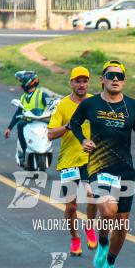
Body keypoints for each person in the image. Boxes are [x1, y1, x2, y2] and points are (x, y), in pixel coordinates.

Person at [68, 60, 135, 268]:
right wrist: (83, 139)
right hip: (99, 166)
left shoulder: (133, 106)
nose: (116, 79)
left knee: (122, 224)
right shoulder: (90, 104)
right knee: (108, 211)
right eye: (111, 75)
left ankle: (110, 264)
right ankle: (102, 242)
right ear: (102, 79)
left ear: (124, 81)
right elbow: (75, 123)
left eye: (120, 76)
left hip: (125, 169)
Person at [47, 66, 98, 256]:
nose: (82, 84)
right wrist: (69, 126)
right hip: (69, 161)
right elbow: (51, 134)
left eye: (85, 81)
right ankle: (75, 237)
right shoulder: (62, 106)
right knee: (71, 206)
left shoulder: (96, 102)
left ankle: (90, 228)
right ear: (71, 83)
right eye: (78, 81)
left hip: (91, 158)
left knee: (93, 196)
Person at [5, 70, 52, 166]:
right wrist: (9, 128)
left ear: (28, 82)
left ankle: (47, 149)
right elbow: (18, 113)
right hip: (27, 122)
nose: (21, 84)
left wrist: (54, 106)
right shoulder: (23, 97)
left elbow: (51, 103)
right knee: (20, 125)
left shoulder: (42, 94)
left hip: (42, 122)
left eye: (22, 82)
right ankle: (24, 151)